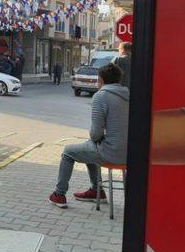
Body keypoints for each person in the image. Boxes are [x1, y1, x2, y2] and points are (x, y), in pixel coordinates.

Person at [48, 63, 129, 208]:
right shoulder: (128, 94)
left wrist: (98, 138)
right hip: (128, 153)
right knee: (88, 148)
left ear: (101, 80)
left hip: (111, 153)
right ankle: (96, 190)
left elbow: (95, 134)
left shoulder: (101, 96)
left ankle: (59, 194)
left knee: (68, 151)